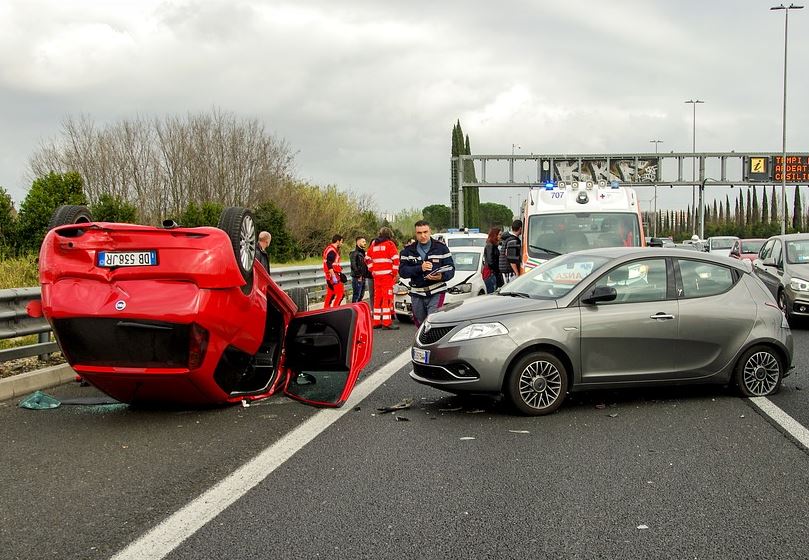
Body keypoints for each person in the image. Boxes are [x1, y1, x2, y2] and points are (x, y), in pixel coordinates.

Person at [399, 220, 455, 326]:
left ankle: (434, 342)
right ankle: (422, 341)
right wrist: (420, 268)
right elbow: (402, 272)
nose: (423, 235)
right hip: (417, 292)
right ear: (415, 234)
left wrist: (441, 276)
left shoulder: (441, 248)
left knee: (432, 320)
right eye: (419, 233)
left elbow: (451, 269)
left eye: (425, 232)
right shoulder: (408, 251)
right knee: (420, 323)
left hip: (436, 291)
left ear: (430, 232)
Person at [366, 227, 399, 329]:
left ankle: (376, 322)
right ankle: (386, 323)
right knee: (387, 299)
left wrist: (372, 270)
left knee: (377, 299)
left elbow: (367, 258)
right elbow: (396, 259)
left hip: (377, 276)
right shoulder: (390, 244)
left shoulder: (374, 244)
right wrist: (394, 273)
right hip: (387, 276)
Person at [322, 234, 345, 307]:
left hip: (329, 276)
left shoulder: (329, 249)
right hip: (333, 275)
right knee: (340, 294)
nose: (341, 244)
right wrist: (334, 276)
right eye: (341, 242)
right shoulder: (332, 251)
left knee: (330, 294)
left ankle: (326, 310)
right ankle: (335, 310)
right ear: (337, 241)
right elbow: (329, 264)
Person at [498, 219, 523, 284]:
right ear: (520, 228)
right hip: (509, 271)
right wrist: (517, 273)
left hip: (505, 269)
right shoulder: (513, 241)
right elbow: (512, 259)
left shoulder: (508, 238)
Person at [349, 236, 369, 303]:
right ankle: (354, 311)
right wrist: (359, 275)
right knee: (356, 296)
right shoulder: (354, 253)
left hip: (363, 277)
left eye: (365, 242)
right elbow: (353, 265)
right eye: (363, 242)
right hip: (357, 278)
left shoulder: (363, 253)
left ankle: (358, 311)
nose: (365, 243)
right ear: (358, 242)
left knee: (361, 296)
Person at [483, 227, 501, 294]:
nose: (500, 236)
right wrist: (497, 269)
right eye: (499, 234)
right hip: (490, 273)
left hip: (492, 272)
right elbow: (490, 261)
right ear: (495, 235)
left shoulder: (493, 245)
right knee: (492, 292)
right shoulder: (490, 246)